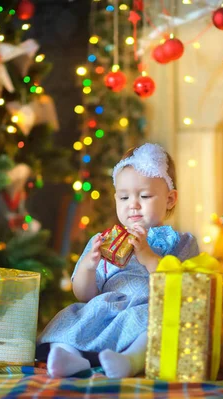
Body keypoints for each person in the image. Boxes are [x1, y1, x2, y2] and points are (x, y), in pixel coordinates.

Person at [37, 143, 199, 378]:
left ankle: (130, 360)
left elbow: (182, 290)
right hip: (107, 308)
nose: (133, 204)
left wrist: (148, 257)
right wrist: (88, 267)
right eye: (124, 197)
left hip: (150, 306)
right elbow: (84, 294)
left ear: (170, 199)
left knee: (156, 323)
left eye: (144, 195)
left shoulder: (179, 241)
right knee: (72, 318)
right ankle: (71, 357)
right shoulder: (103, 241)